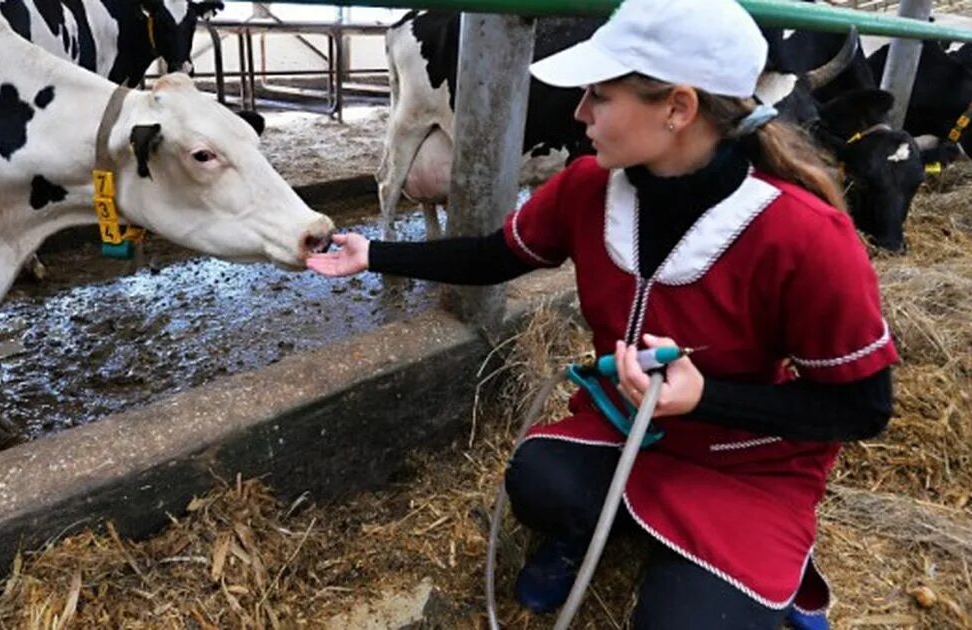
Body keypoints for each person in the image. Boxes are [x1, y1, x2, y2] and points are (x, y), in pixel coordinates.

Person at [307, 0, 897, 627]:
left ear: (677, 109)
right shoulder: (589, 187)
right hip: (624, 428)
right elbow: (494, 255)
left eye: (599, 96)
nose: (579, 113)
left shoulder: (804, 235)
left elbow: (862, 409)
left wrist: (708, 398)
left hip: (745, 460)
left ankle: (753, 567)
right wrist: (372, 252)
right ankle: (599, 535)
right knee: (535, 476)